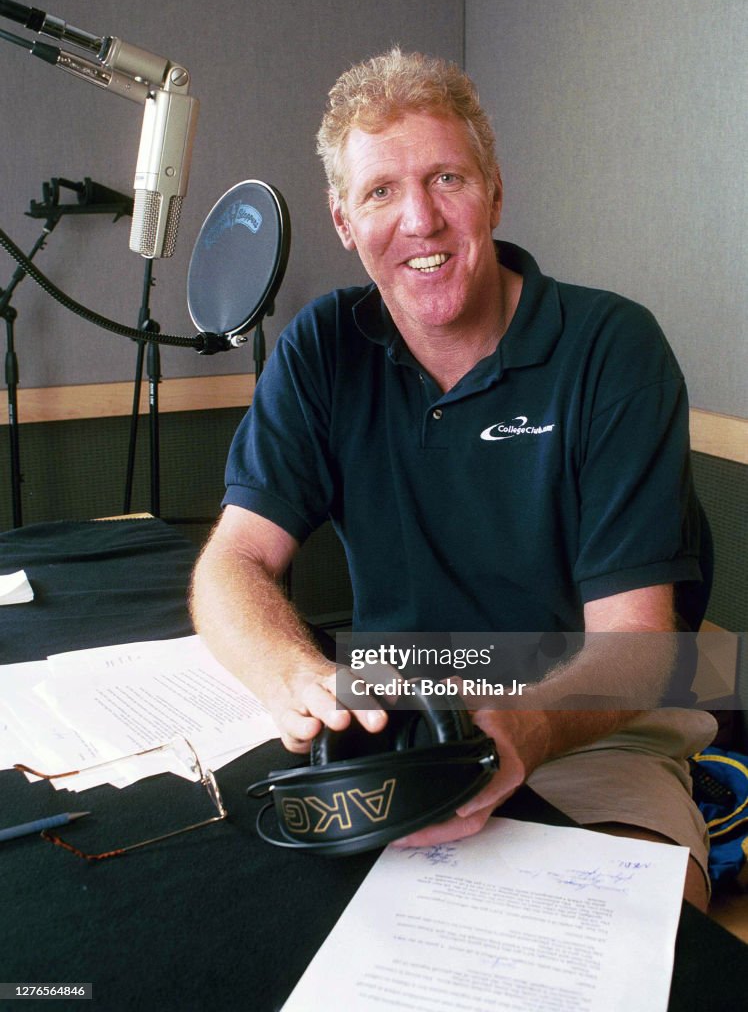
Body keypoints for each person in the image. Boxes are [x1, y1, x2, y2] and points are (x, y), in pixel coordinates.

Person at [190, 48, 716, 909]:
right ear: (343, 222)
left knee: (634, 948)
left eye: (446, 179)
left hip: (598, 732)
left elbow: (640, 648)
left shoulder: (612, 348)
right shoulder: (322, 348)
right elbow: (233, 562)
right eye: (380, 192)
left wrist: (524, 728)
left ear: (495, 192)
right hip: (401, 723)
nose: (420, 221)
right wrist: (291, 671)